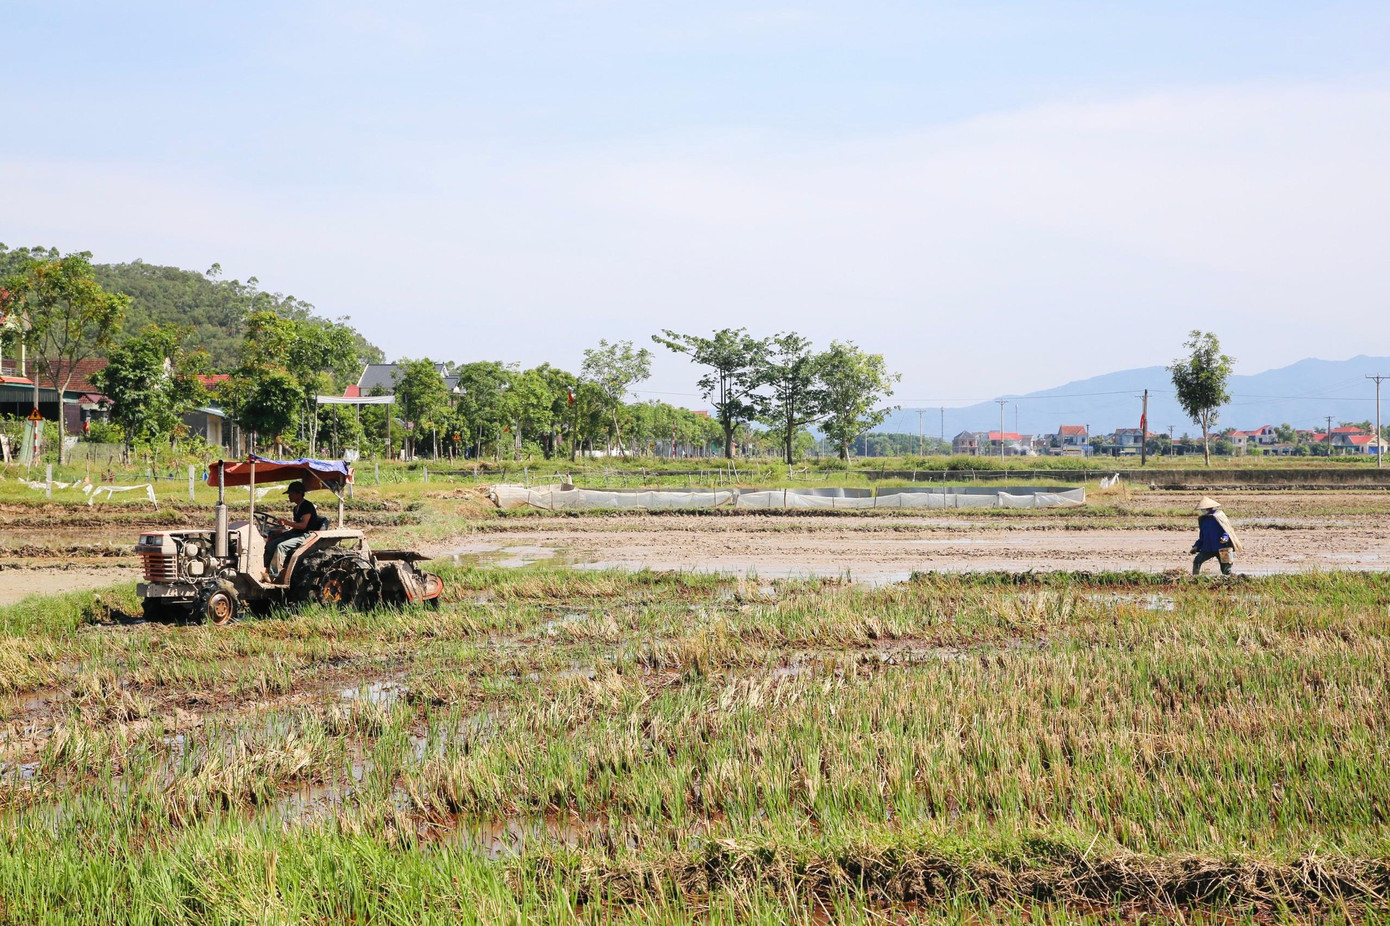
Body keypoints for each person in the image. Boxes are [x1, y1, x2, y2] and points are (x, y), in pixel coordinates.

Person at [264, 481, 321, 580]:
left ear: (298, 494)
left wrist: (286, 523)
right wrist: (285, 531)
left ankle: (274, 576)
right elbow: (297, 525)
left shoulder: (307, 506)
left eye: (290, 494)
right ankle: (267, 570)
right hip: (296, 533)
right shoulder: (296, 508)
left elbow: (303, 525)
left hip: (306, 536)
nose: (289, 496)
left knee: (281, 546)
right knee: (270, 544)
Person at [1191, 496, 1242, 576]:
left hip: (1222, 547)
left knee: (1226, 570)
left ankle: (1232, 580)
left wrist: (1225, 538)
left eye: (1204, 509)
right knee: (1197, 561)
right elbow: (1202, 537)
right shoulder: (1203, 520)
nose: (1202, 511)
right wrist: (1196, 546)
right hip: (1207, 548)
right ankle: (1194, 577)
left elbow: (1227, 530)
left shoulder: (1219, 516)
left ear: (1209, 508)